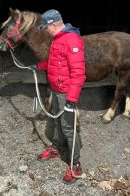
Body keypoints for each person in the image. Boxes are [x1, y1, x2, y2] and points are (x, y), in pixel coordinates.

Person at [34, 9, 86, 184]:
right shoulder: (57, 39)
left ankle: (76, 164)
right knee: (56, 122)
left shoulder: (71, 40)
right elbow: (55, 62)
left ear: (54, 24)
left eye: (46, 27)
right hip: (57, 91)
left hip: (66, 93)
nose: (45, 30)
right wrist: (39, 66)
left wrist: (71, 101)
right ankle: (56, 149)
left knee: (69, 128)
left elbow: (78, 73)